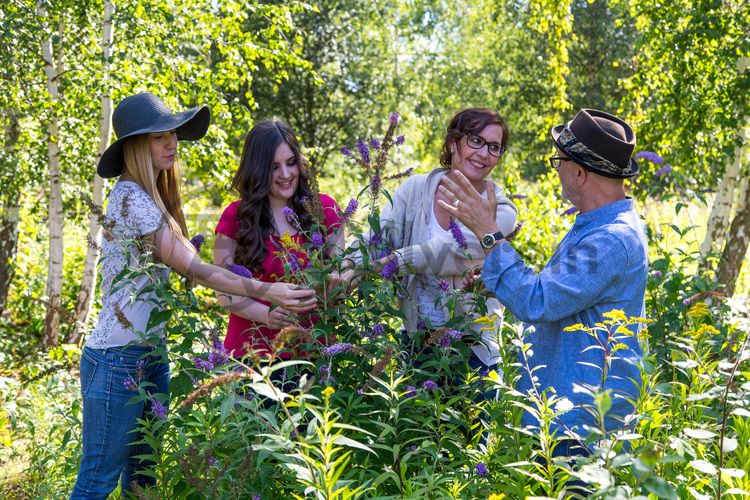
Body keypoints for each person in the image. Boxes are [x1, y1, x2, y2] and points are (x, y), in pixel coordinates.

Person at [71, 93, 316, 499]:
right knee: (96, 481)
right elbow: (197, 270)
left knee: (143, 482)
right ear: (134, 145)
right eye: (158, 137)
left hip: (148, 352)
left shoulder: (150, 198)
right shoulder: (130, 197)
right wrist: (269, 290)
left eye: (172, 135)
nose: (171, 144)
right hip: (117, 358)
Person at [439, 108, 647, 452]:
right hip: (567, 417)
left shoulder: (611, 238)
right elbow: (564, 292)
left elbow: (538, 301)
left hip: (581, 428)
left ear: (578, 172)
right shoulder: (597, 226)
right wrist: (496, 279)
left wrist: (489, 232)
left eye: (559, 161)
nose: (558, 170)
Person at [347, 108, 517, 377]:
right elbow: (377, 237)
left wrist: (392, 263)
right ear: (452, 143)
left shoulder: (501, 212)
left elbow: (448, 253)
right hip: (417, 343)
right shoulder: (415, 190)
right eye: (476, 140)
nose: (484, 153)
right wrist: (347, 266)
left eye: (494, 147)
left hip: (473, 350)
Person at [213, 119, 343, 362]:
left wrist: (339, 278)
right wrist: (266, 315)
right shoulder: (235, 217)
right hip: (253, 359)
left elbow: (342, 269)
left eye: (291, 163)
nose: (285, 175)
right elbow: (223, 291)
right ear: (257, 169)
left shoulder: (324, 209)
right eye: (274, 167)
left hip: (313, 354)